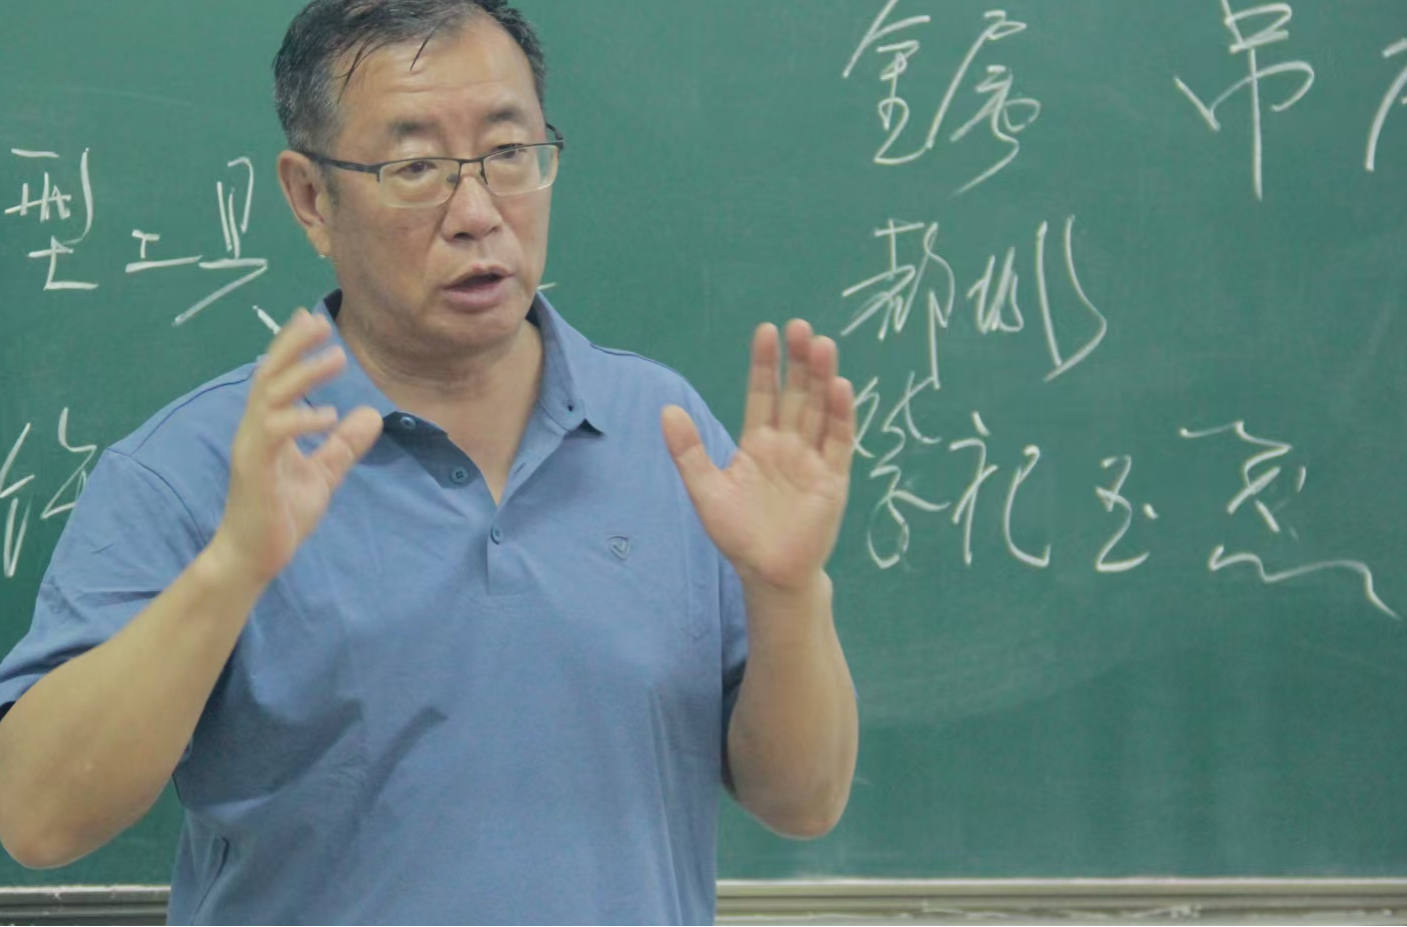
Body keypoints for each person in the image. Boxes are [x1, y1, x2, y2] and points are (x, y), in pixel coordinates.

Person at [0, 1, 858, 923]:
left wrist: (786, 593)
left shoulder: (668, 434)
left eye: (509, 153)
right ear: (311, 198)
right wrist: (229, 571)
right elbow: (38, 818)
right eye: (414, 168)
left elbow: (802, 801)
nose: (478, 214)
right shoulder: (194, 465)